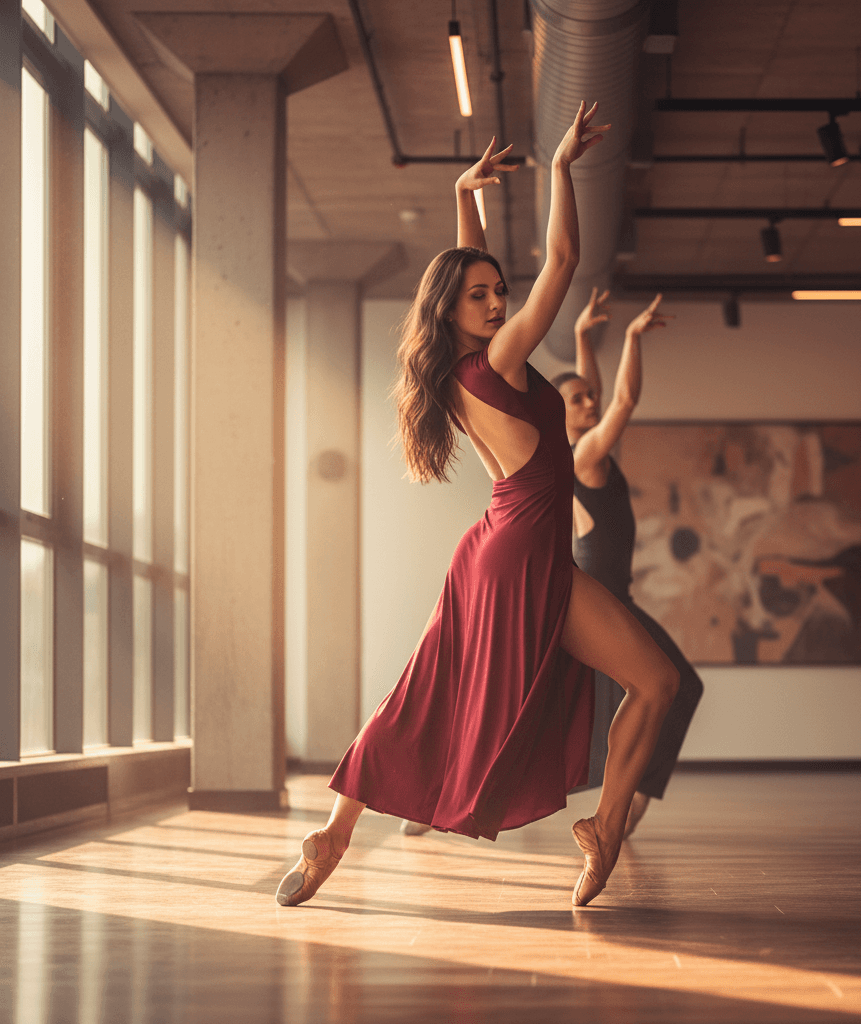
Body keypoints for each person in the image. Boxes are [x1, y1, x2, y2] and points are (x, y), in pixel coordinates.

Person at [276, 103, 679, 910]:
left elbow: (468, 269)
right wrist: (559, 168)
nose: (499, 303)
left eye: (500, 292)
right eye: (483, 296)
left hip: (512, 551)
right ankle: (594, 827)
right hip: (517, 556)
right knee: (454, 697)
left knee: (440, 694)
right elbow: (561, 261)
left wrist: (466, 195)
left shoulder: (459, 372)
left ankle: (336, 835)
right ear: (454, 312)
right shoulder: (495, 363)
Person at [552, 288, 704, 837]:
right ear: (561, 416)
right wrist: (633, 338)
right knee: (675, 685)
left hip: (616, 596)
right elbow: (622, 403)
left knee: (674, 688)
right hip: (605, 600)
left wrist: (580, 339)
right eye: (578, 403)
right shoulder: (584, 457)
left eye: (588, 399)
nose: (589, 404)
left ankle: (629, 802)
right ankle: (629, 805)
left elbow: (591, 392)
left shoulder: (583, 450)